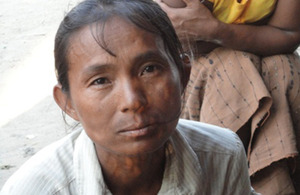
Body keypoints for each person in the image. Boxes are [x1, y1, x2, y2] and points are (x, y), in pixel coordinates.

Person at [0, 0, 258, 194]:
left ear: (183, 74)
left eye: (149, 69)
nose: (132, 101)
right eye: (100, 81)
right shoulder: (34, 189)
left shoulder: (222, 157)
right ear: (67, 103)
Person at [156, 0, 300, 194]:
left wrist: (217, 31)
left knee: (283, 69)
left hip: (263, 58)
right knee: (234, 69)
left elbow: (287, 34)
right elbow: (178, 37)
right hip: (191, 63)